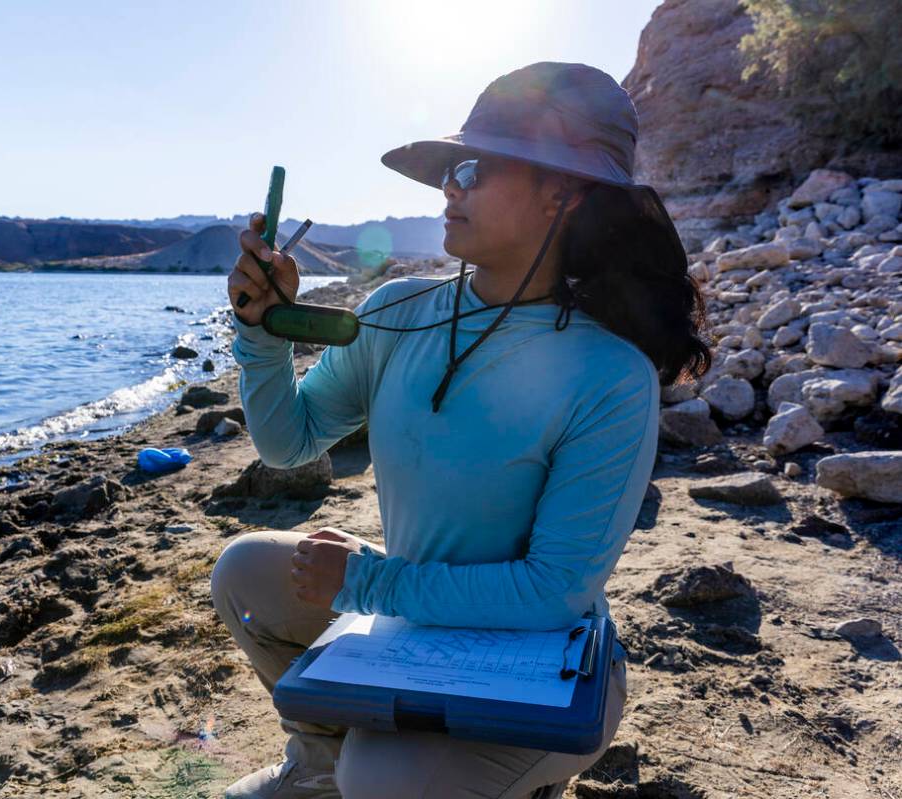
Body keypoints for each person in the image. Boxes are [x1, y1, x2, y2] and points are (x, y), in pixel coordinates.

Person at [210, 61, 712, 799]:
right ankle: (317, 764)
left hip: (545, 663)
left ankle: (504, 778)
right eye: (452, 167)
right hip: (414, 621)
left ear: (562, 195)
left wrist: (370, 581)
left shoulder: (610, 374)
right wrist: (260, 331)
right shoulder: (401, 310)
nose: (452, 185)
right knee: (246, 573)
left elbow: (553, 594)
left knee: (379, 779)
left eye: (475, 169)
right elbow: (290, 440)